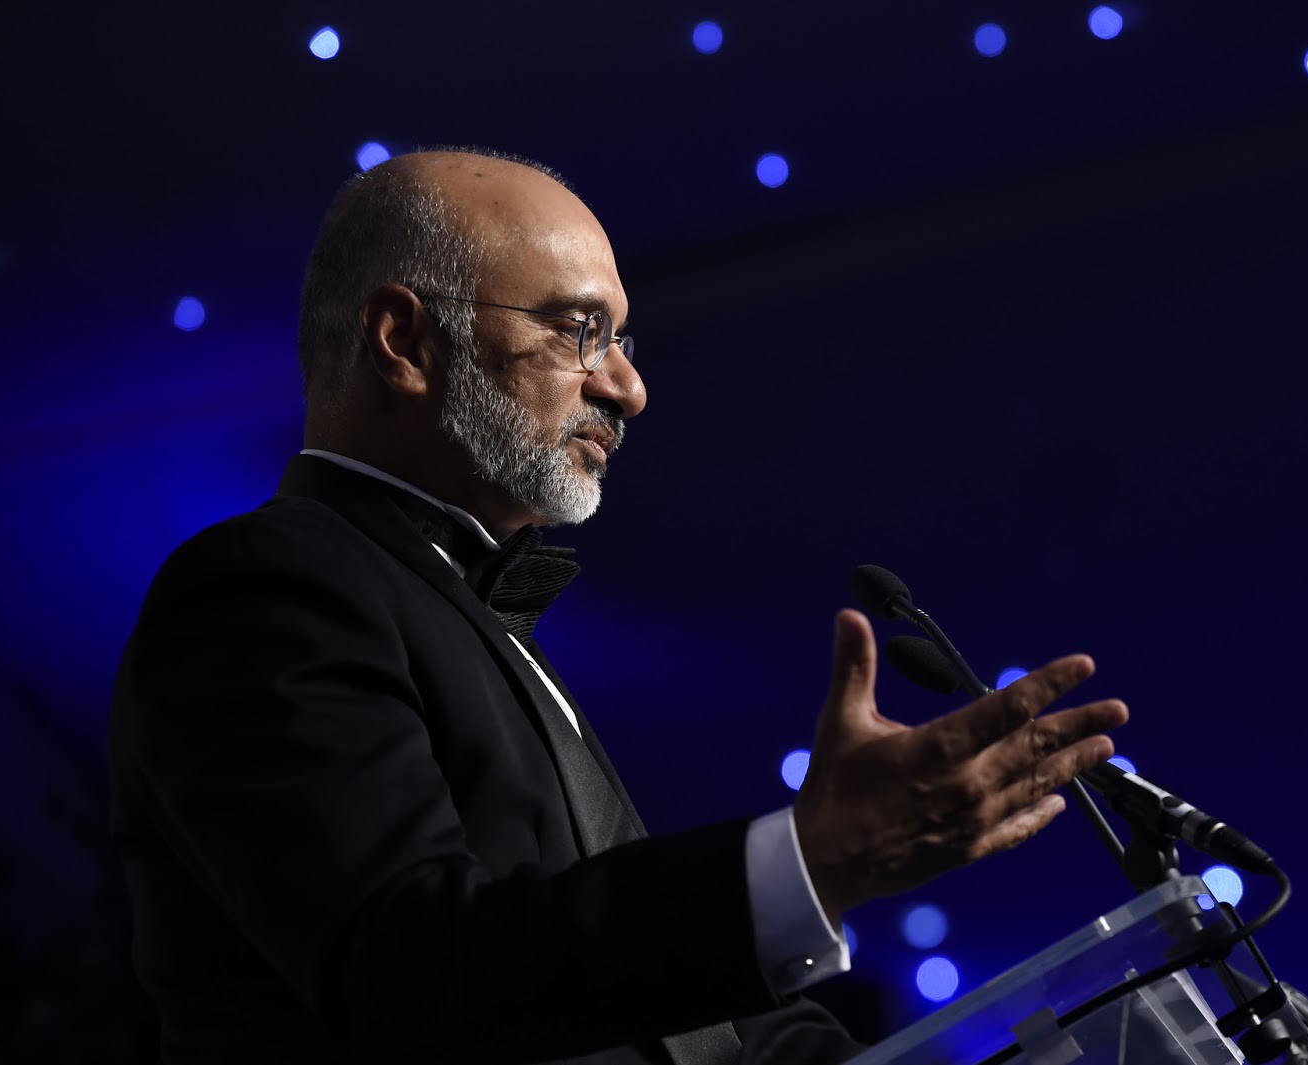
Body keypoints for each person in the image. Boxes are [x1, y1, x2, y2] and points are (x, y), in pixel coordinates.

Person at [108, 148, 1129, 1064]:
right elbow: (409, 969)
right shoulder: (263, 584)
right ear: (404, 340)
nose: (629, 387)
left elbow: (695, 1036)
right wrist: (811, 858)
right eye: (579, 330)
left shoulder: (477, 619)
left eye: (620, 339)